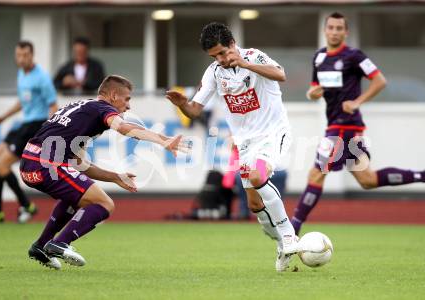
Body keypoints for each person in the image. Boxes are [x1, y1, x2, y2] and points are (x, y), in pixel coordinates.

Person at [166, 22, 299, 272]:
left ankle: (289, 233)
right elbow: (195, 110)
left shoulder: (254, 57)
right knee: (254, 205)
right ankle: (282, 244)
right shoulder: (214, 72)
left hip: (272, 132)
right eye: (214, 56)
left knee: (259, 175)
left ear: (233, 44)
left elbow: (281, 74)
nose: (221, 59)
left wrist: (245, 64)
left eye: (223, 53)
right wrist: (182, 103)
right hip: (245, 142)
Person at [20, 75, 184, 270]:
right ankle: (60, 243)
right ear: (113, 96)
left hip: (29, 165)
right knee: (104, 204)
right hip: (46, 164)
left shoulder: (82, 111)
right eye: (127, 99)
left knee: (77, 197)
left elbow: (79, 165)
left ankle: (40, 246)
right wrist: (162, 141)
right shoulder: (101, 108)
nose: (129, 106)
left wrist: (115, 177)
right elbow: (123, 128)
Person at [290, 12, 425, 235]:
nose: (334, 32)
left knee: (316, 173)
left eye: (338, 28)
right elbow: (315, 89)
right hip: (338, 124)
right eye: (331, 27)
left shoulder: (354, 55)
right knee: (367, 179)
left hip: (345, 126)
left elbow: (380, 80)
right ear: (325, 30)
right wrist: (312, 94)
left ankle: (293, 228)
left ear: (346, 32)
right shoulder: (319, 58)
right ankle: (421, 175)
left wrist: (357, 102)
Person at [0, 41, 58, 223]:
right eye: (19, 55)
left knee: (1, 166)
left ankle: (27, 206)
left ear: (32, 55)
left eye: (25, 55)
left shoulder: (42, 77)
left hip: (35, 125)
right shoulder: (21, 74)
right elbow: (22, 102)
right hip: (24, 123)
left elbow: (53, 104)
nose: (22, 59)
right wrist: (3, 117)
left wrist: (50, 131)